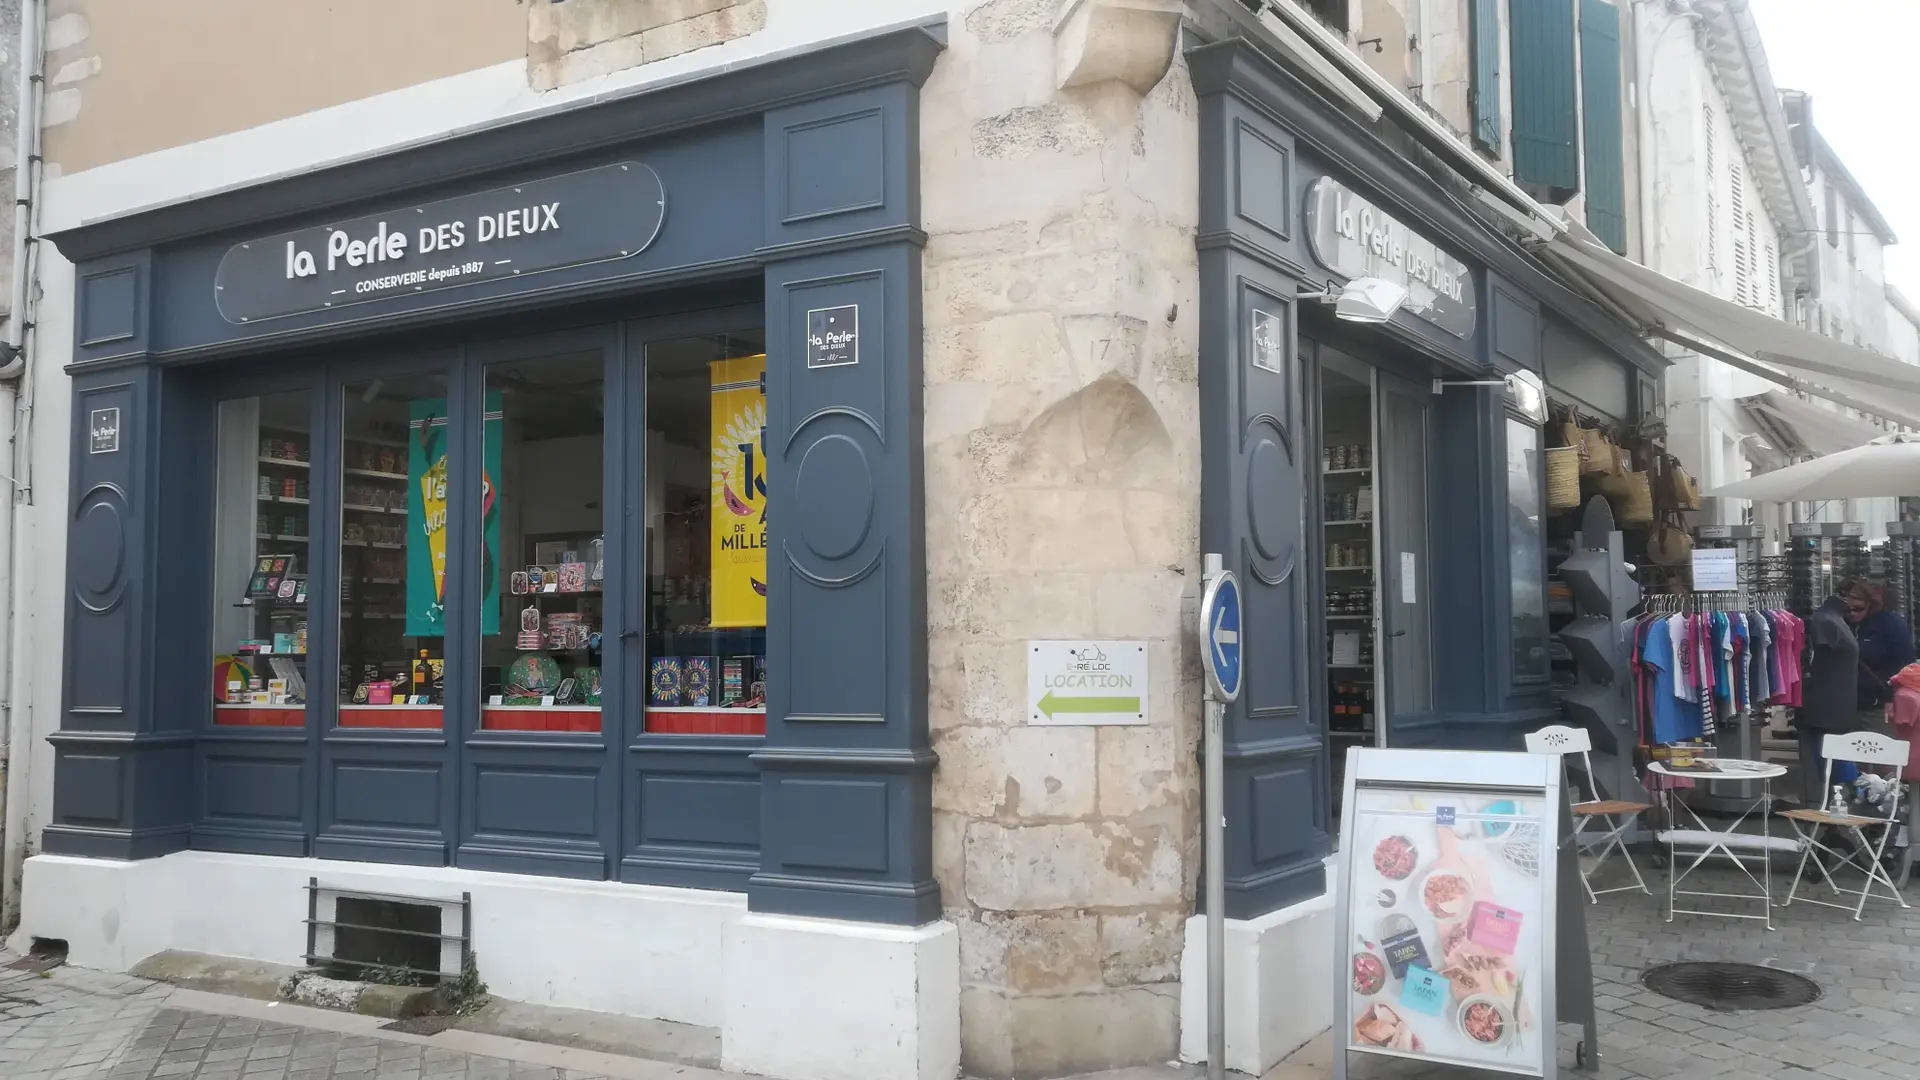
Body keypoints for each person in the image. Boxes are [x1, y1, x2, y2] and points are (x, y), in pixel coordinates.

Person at [1798, 590, 1862, 808]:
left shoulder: (1830, 621)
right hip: (1825, 705)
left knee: (1833, 756)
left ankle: (1852, 794)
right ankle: (1836, 801)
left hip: (1832, 705)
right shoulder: (1826, 621)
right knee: (1828, 758)